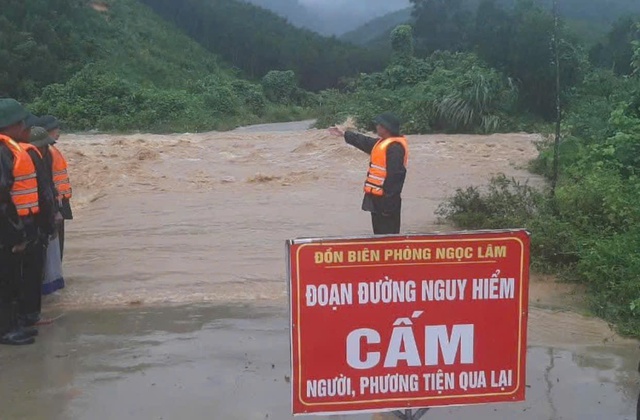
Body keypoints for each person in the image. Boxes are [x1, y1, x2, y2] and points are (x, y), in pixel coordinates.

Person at [0, 99, 53, 344]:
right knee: (5, 280)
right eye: (20, 122)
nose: (24, 127)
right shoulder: (3, 152)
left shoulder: (10, 148)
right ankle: (6, 330)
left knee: (11, 279)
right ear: (8, 125)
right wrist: (15, 233)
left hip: (17, 224)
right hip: (9, 228)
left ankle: (12, 324)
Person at [329, 113, 408, 235]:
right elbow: (363, 141)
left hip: (387, 201)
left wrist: (388, 205)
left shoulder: (395, 148)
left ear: (385, 128)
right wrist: (344, 133)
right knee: (379, 236)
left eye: (378, 125)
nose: (376, 127)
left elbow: (396, 178)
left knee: (388, 237)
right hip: (377, 198)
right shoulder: (381, 143)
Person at [28, 115, 72, 261]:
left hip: (59, 200)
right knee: (54, 244)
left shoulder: (50, 150)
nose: (58, 131)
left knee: (57, 245)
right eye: (55, 129)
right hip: (55, 201)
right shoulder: (45, 152)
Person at [28, 127, 65, 295]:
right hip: (33, 217)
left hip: (47, 210)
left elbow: (48, 188)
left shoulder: (46, 157)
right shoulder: (31, 158)